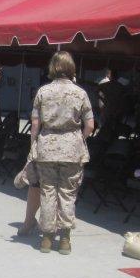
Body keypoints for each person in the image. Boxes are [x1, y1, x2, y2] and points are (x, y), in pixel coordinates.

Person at [32, 51, 94, 255]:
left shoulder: (43, 92)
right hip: (72, 148)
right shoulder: (80, 93)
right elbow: (90, 125)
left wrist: (34, 143)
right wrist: (79, 139)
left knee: (48, 192)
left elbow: (35, 123)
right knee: (67, 193)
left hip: (47, 146)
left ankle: (47, 239)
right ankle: (65, 238)